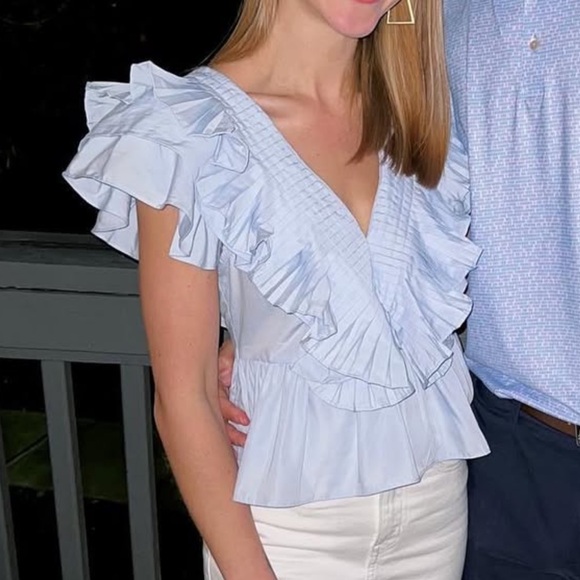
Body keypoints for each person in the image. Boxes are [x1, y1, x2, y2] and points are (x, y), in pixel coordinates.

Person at [63, 0, 490, 577]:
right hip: (285, 532)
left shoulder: (427, 113)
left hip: (437, 511)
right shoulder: (188, 130)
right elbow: (183, 399)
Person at [220, 1, 580, 578]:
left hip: (461, 469)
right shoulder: (423, 24)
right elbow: (401, 211)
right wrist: (267, 320)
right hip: (503, 450)